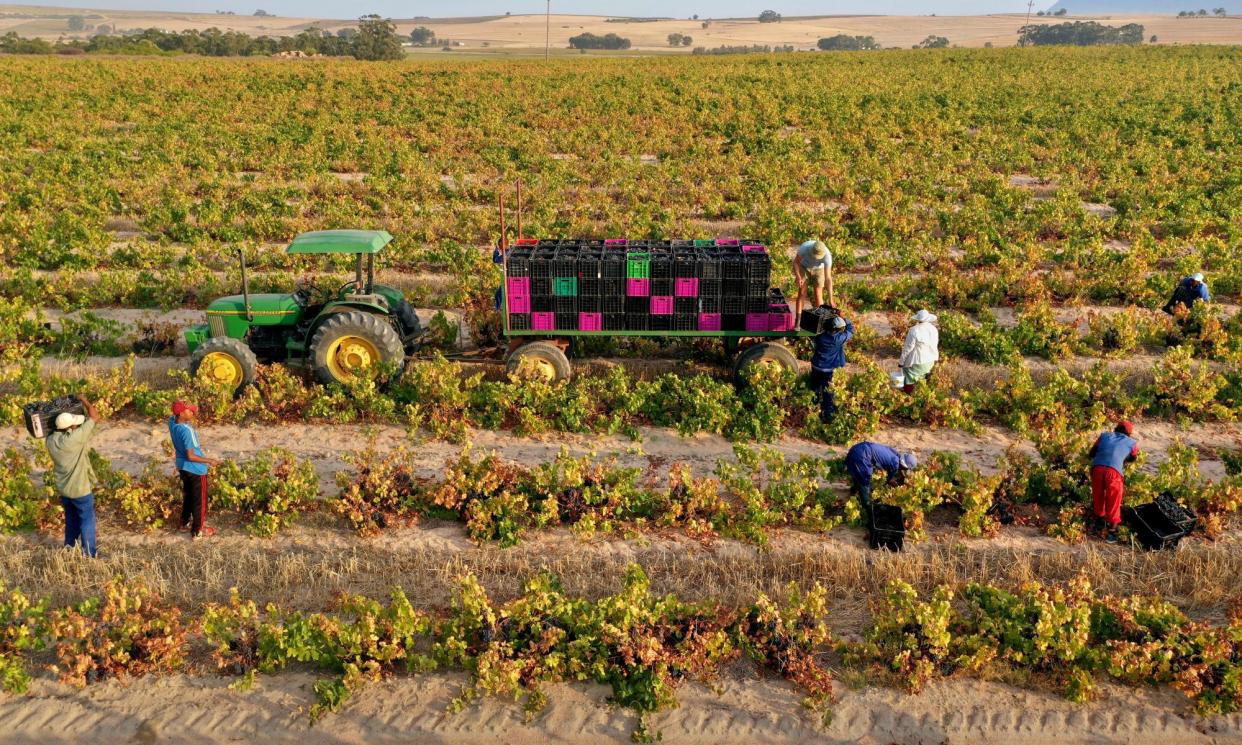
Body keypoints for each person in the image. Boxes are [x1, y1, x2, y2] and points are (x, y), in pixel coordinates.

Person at [44, 394, 100, 557]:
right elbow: (95, 416)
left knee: (71, 520)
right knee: (87, 520)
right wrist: (84, 399)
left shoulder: (50, 441)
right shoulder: (74, 439)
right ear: (70, 428)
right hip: (80, 489)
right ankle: (89, 553)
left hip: (64, 490)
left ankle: (69, 547)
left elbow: (51, 429)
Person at [168, 400, 219, 539]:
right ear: (181, 413)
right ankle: (198, 531)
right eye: (189, 410)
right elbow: (191, 456)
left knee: (188, 496)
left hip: (182, 466)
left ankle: (183, 523)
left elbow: (173, 417)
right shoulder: (187, 431)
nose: (193, 412)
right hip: (196, 469)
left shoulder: (172, 423)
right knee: (200, 500)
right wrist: (210, 461)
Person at [1088, 421, 1139, 543]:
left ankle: (1099, 525)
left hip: (1098, 469)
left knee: (1098, 496)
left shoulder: (1104, 436)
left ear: (1116, 428)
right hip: (1114, 472)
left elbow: (1091, 453)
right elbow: (1133, 458)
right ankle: (1112, 532)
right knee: (1114, 499)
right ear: (1129, 433)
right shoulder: (1132, 443)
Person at [844, 441, 918, 514]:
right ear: (904, 466)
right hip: (863, 456)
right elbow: (890, 480)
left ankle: (855, 490)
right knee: (865, 479)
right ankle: (867, 507)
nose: (906, 470)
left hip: (857, 448)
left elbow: (897, 467)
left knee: (857, 472)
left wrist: (902, 476)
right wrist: (895, 485)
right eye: (906, 469)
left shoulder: (895, 454)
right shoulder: (895, 465)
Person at [808, 314, 854, 422]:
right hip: (829, 370)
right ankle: (827, 417)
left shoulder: (820, 336)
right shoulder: (839, 338)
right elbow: (851, 329)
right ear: (838, 329)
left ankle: (812, 411)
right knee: (828, 393)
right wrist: (844, 317)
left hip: (816, 366)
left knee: (814, 389)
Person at [898, 309, 939, 394]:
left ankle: (907, 395)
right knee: (923, 377)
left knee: (907, 374)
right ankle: (921, 394)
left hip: (917, 361)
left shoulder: (914, 330)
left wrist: (901, 362)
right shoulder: (934, 329)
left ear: (917, 319)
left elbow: (908, 348)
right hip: (930, 361)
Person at [793, 240, 834, 309]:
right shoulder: (804, 247)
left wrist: (831, 299)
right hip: (804, 266)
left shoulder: (827, 256)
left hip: (819, 269)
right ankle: (798, 318)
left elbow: (828, 278)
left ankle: (820, 317)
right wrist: (798, 276)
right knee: (802, 293)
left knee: (818, 295)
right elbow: (796, 262)